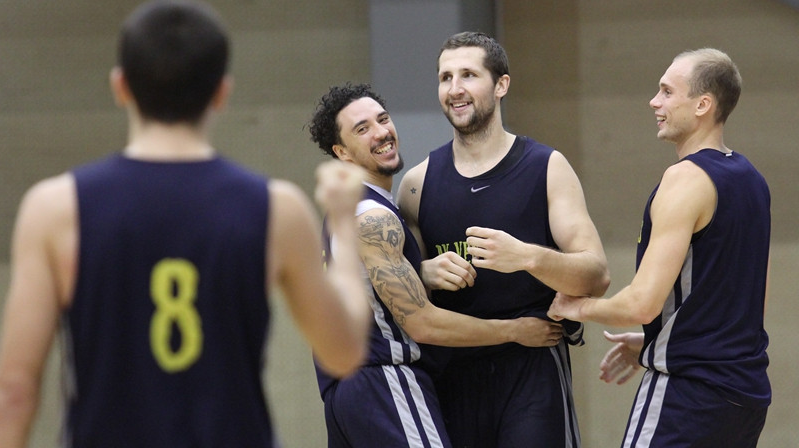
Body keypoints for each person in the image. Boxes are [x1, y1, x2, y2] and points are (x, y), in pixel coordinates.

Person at [0, 1, 372, 447]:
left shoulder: (54, 208)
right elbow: (345, 353)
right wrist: (343, 223)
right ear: (221, 92)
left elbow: (14, 393)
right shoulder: (278, 208)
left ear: (120, 87)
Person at [308, 83, 568, 448]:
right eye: (362, 129)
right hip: (384, 383)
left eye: (382, 119)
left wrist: (421, 270)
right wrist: (515, 330)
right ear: (341, 152)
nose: (381, 132)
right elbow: (423, 323)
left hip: (344, 397)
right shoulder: (372, 218)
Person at [548, 48, 771, 447]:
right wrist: (662, 338)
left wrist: (575, 306)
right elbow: (740, 301)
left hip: (690, 392)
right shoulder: (752, 178)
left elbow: (640, 305)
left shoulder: (685, 179)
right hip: (745, 395)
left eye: (667, 92)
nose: (654, 101)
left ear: (703, 104)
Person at [397, 32, 610, 448]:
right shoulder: (417, 184)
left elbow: (597, 276)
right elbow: (401, 295)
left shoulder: (546, 167)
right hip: (451, 373)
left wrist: (528, 257)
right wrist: (422, 272)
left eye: (468, 75)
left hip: (531, 368)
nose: (454, 89)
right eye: (445, 77)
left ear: (501, 85)